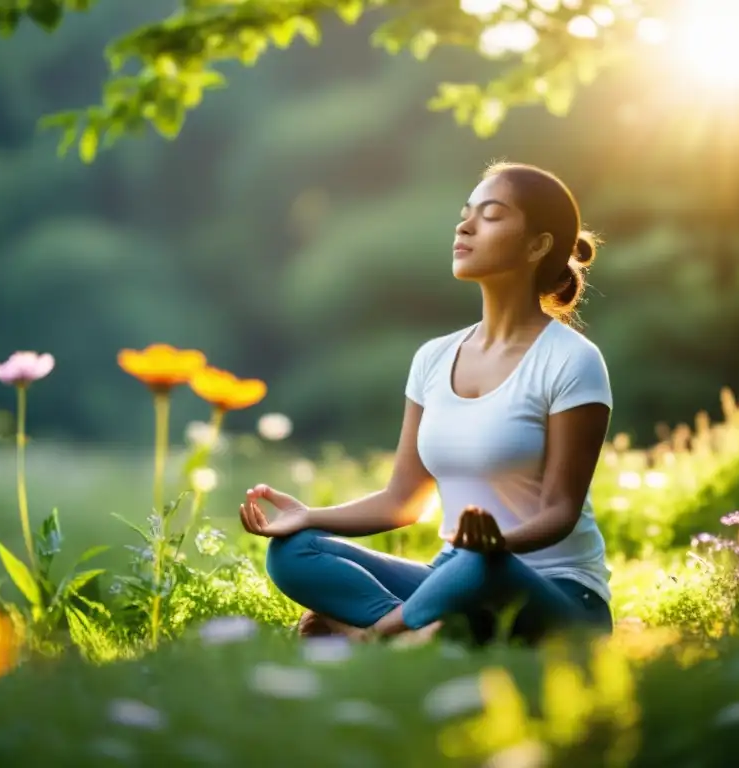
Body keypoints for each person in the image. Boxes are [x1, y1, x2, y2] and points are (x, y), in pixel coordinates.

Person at [239, 161, 614, 645]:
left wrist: (496, 545)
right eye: (465, 213)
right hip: (452, 575)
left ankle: (375, 633)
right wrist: (309, 515)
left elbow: (560, 513)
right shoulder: (433, 358)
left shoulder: (572, 361)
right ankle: (432, 627)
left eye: (491, 215)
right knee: (294, 551)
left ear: (538, 245)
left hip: (553, 594)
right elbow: (402, 501)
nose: (465, 225)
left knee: (479, 563)